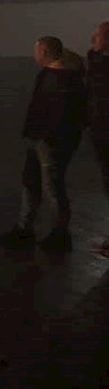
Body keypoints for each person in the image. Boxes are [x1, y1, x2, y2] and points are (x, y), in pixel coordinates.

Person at [0, 35, 86, 253]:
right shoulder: (67, 76)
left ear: (45, 52)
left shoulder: (58, 78)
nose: (34, 55)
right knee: (34, 182)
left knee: (51, 187)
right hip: (45, 139)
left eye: (36, 51)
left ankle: (58, 233)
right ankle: (27, 228)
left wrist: (39, 134)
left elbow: (52, 112)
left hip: (50, 141)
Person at [88, 21, 109, 253]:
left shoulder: (102, 65)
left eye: (97, 36)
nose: (92, 40)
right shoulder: (98, 62)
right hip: (101, 132)